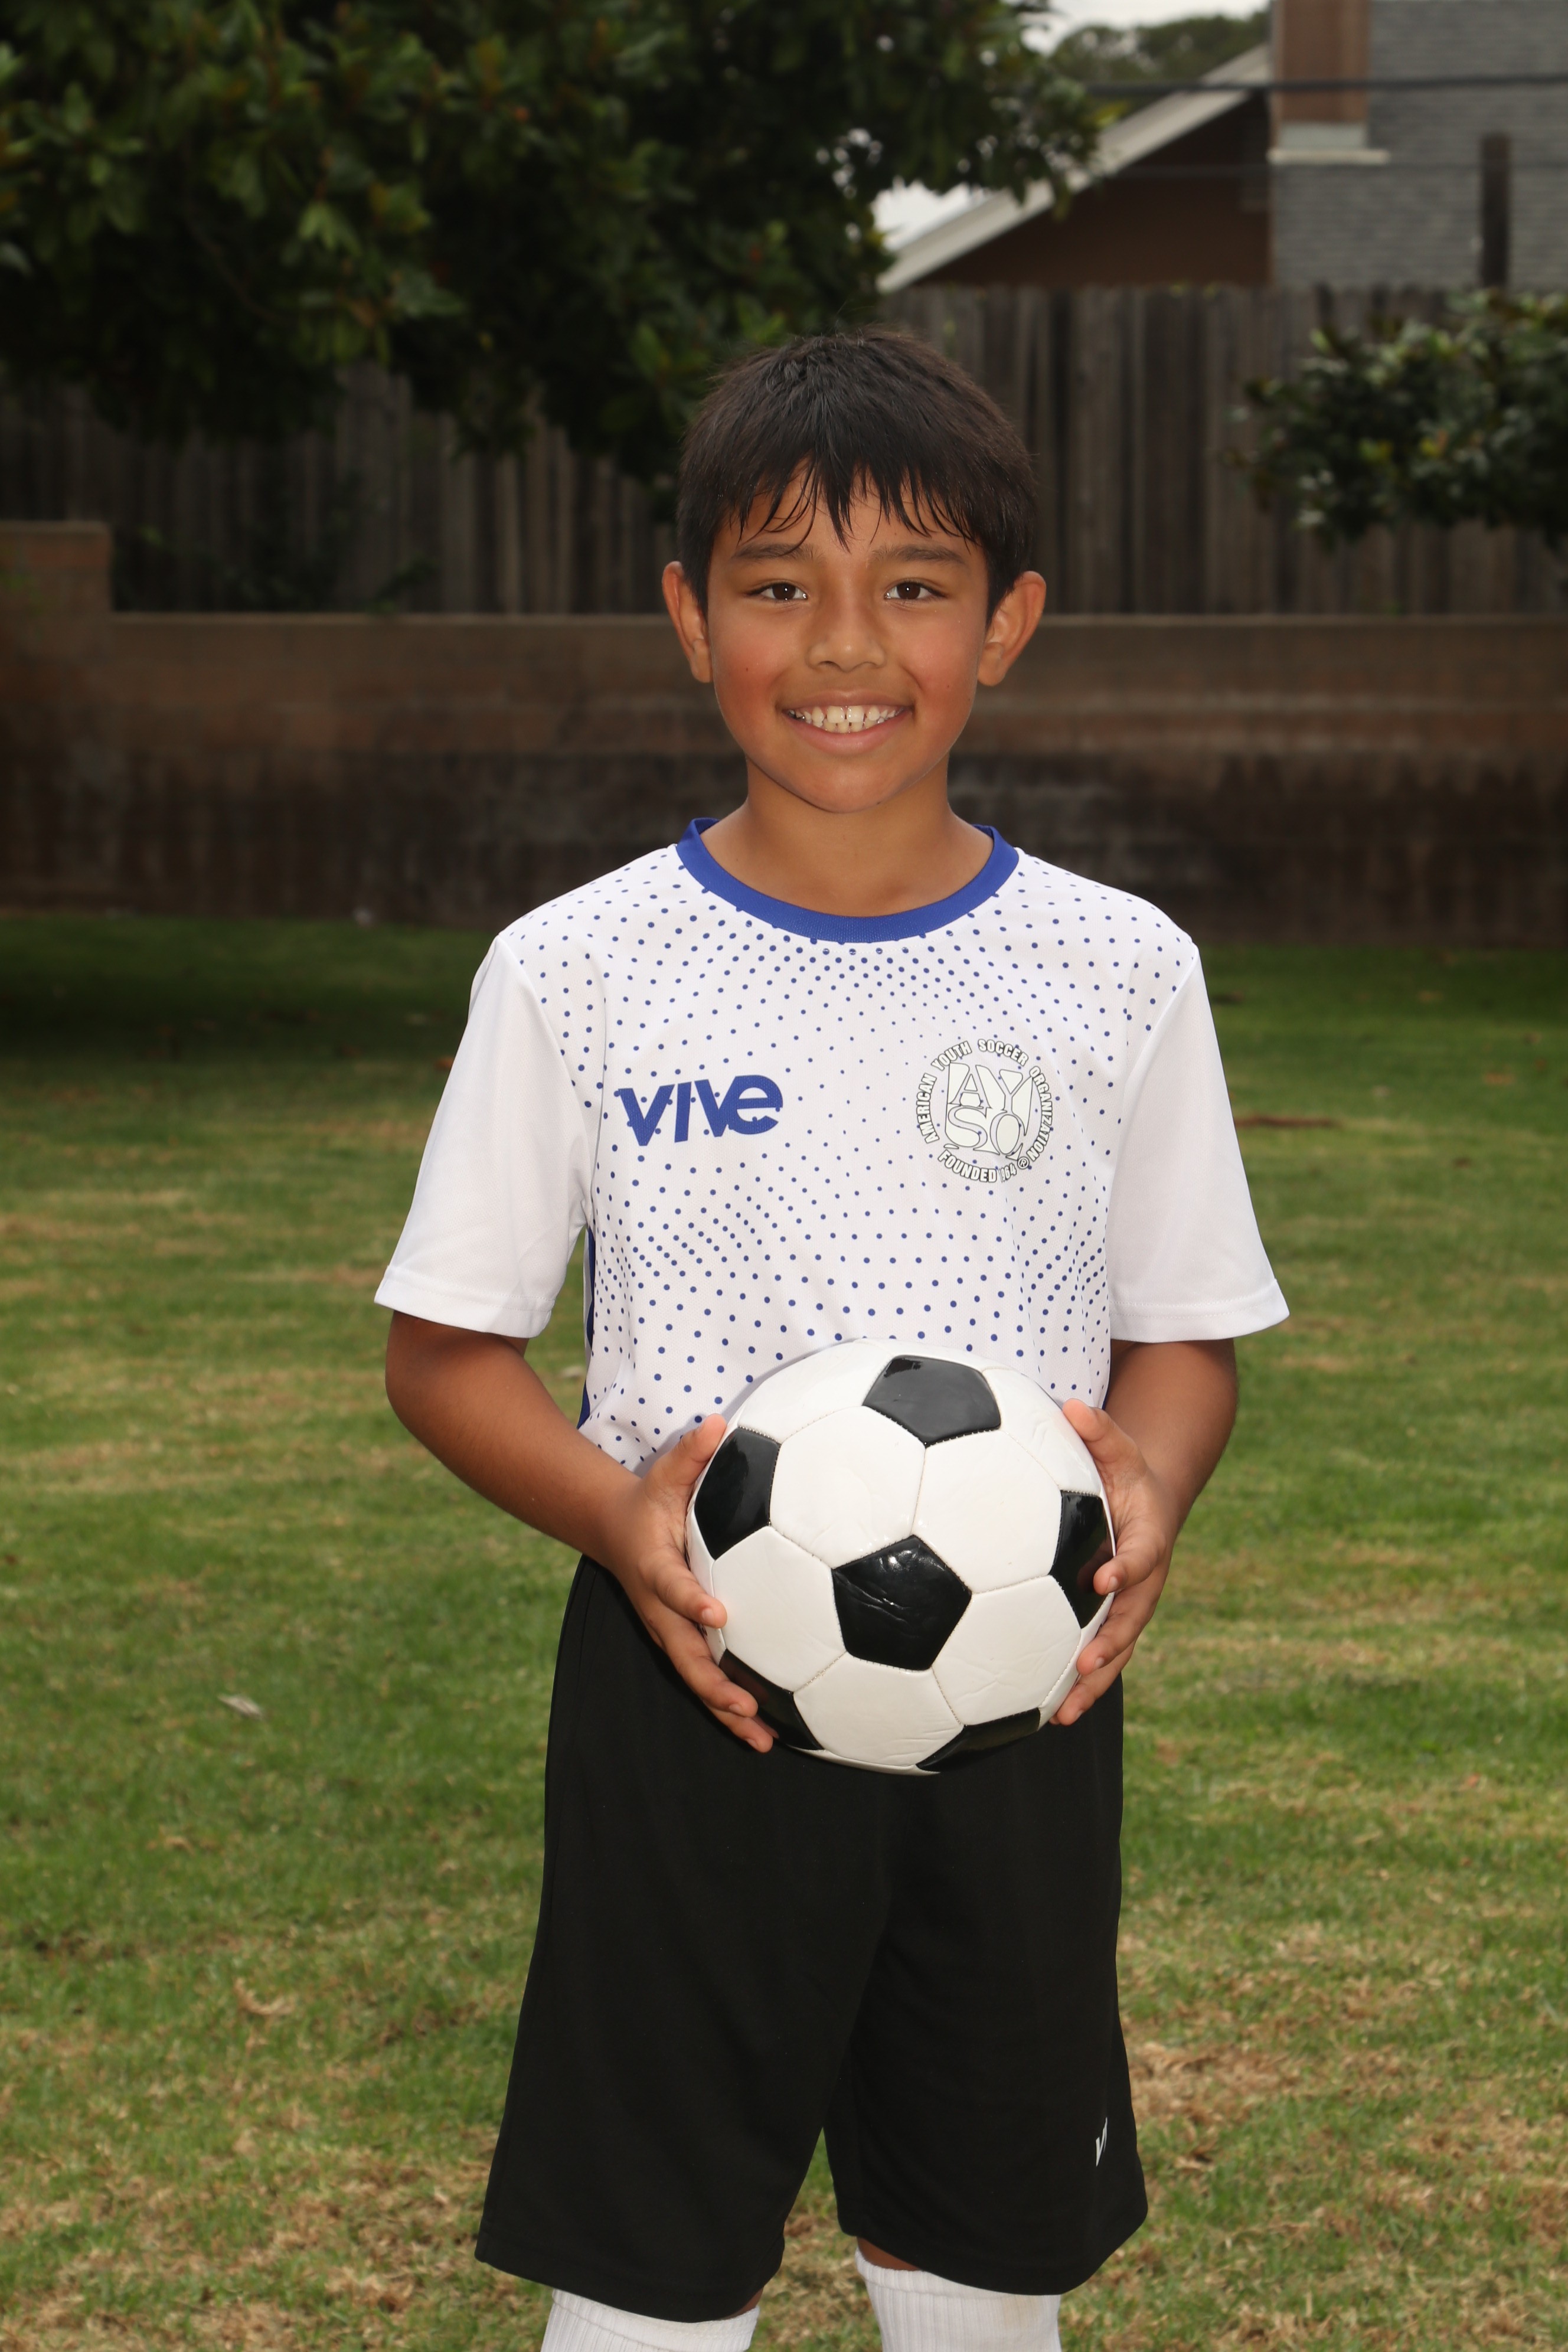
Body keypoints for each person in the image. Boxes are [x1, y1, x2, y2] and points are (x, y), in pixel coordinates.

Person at [377, 327, 1287, 2352]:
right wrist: (619, 1517)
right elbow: (445, 1352)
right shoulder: (580, 970)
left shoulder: (1118, 967)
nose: (846, 644)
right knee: (649, 2269)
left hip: (1025, 1688)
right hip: (692, 1681)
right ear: (693, 618)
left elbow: (1184, 1337)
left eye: (917, 586)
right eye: (781, 584)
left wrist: (1150, 1481)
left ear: (1009, 625)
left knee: (983, 2267)